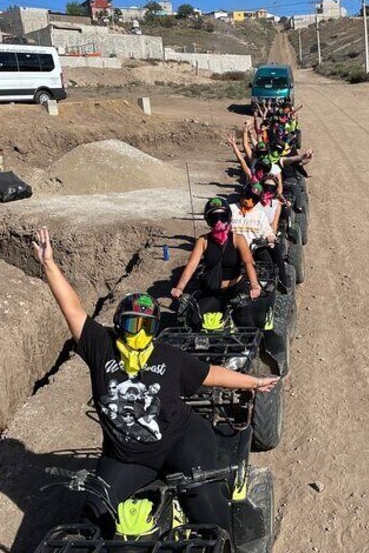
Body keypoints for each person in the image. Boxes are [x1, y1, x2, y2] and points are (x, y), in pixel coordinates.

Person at [31, 227, 278, 538]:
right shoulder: (100, 346)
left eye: (147, 326)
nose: (139, 333)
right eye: (133, 323)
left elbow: (210, 374)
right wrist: (49, 264)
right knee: (92, 517)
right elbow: (73, 308)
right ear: (119, 323)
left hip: (181, 441)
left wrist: (252, 382)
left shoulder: (168, 356)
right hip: (126, 457)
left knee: (208, 513)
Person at [171, 198, 262, 330]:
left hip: (236, 289)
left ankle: (257, 348)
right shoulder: (203, 240)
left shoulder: (238, 238)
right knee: (194, 319)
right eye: (214, 218)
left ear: (228, 217)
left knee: (244, 319)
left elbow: (248, 263)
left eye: (222, 216)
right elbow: (192, 265)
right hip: (213, 290)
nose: (219, 222)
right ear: (208, 220)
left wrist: (254, 285)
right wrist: (179, 288)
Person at [230, 183, 290, 292]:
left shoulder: (259, 214)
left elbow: (267, 231)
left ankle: (281, 282)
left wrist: (271, 237)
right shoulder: (231, 210)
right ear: (243, 194)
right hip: (234, 248)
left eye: (254, 198)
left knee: (273, 256)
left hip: (255, 249)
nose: (250, 200)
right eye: (248, 196)